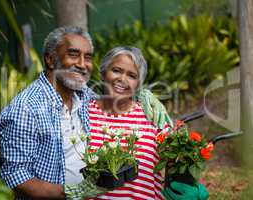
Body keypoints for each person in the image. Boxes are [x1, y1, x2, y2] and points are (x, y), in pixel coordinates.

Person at [85, 46, 209, 200]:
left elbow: (176, 166)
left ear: (138, 84)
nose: (122, 79)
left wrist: (190, 186)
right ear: (103, 73)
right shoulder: (83, 114)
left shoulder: (153, 117)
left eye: (131, 75)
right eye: (116, 70)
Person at [0, 26, 101, 200]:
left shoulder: (84, 94)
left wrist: (145, 98)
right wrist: (75, 193)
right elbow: (16, 176)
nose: (83, 64)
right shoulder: (25, 109)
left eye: (88, 57)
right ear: (51, 60)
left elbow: (115, 106)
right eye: (73, 55)